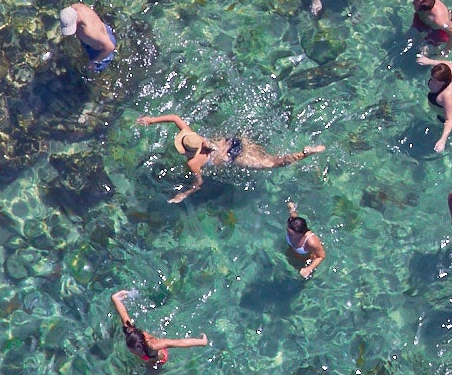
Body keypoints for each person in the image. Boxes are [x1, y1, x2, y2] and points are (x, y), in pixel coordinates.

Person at [136, 115, 325, 202]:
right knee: (265, 154)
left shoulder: (193, 162)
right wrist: (151, 120)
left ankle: (304, 153)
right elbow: (175, 118)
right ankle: (302, 152)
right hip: (232, 142)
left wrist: (183, 194)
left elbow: (198, 184)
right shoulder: (190, 133)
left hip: (234, 157)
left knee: (272, 163)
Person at [110, 291, 208, 370]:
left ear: (140, 346)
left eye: (134, 351)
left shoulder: (153, 346)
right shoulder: (130, 331)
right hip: (146, 356)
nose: (132, 352)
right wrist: (115, 298)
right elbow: (123, 313)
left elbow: (180, 342)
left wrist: (202, 342)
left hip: (158, 359)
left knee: (150, 372)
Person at [418, 55, 452, 152]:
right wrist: (429, 61)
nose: (432, 82)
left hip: (450, 113)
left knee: (443, 125)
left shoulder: (447, 96)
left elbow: (450, 119)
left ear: (444, 81)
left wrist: (442, 140)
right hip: (449, 103)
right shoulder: (450, 70)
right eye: (432, 78)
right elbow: (451, 64)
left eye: (436, 81)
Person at [59, 2, 117, 71]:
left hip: (101, 48)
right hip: (102, 30)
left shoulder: (89, 32)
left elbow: (110, 47)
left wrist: (95, 61)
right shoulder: (76, 7)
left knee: (92, 70)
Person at [284, 204, 326, 278]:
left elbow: (321, 256)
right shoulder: (292, 223)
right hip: (291, 253)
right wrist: (292, 209)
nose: (289, 235)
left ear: (301, 234)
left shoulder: (311, 241)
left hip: (304, 260)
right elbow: (294, 216)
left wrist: (309, 269)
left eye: (291, 234)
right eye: (288, 232)